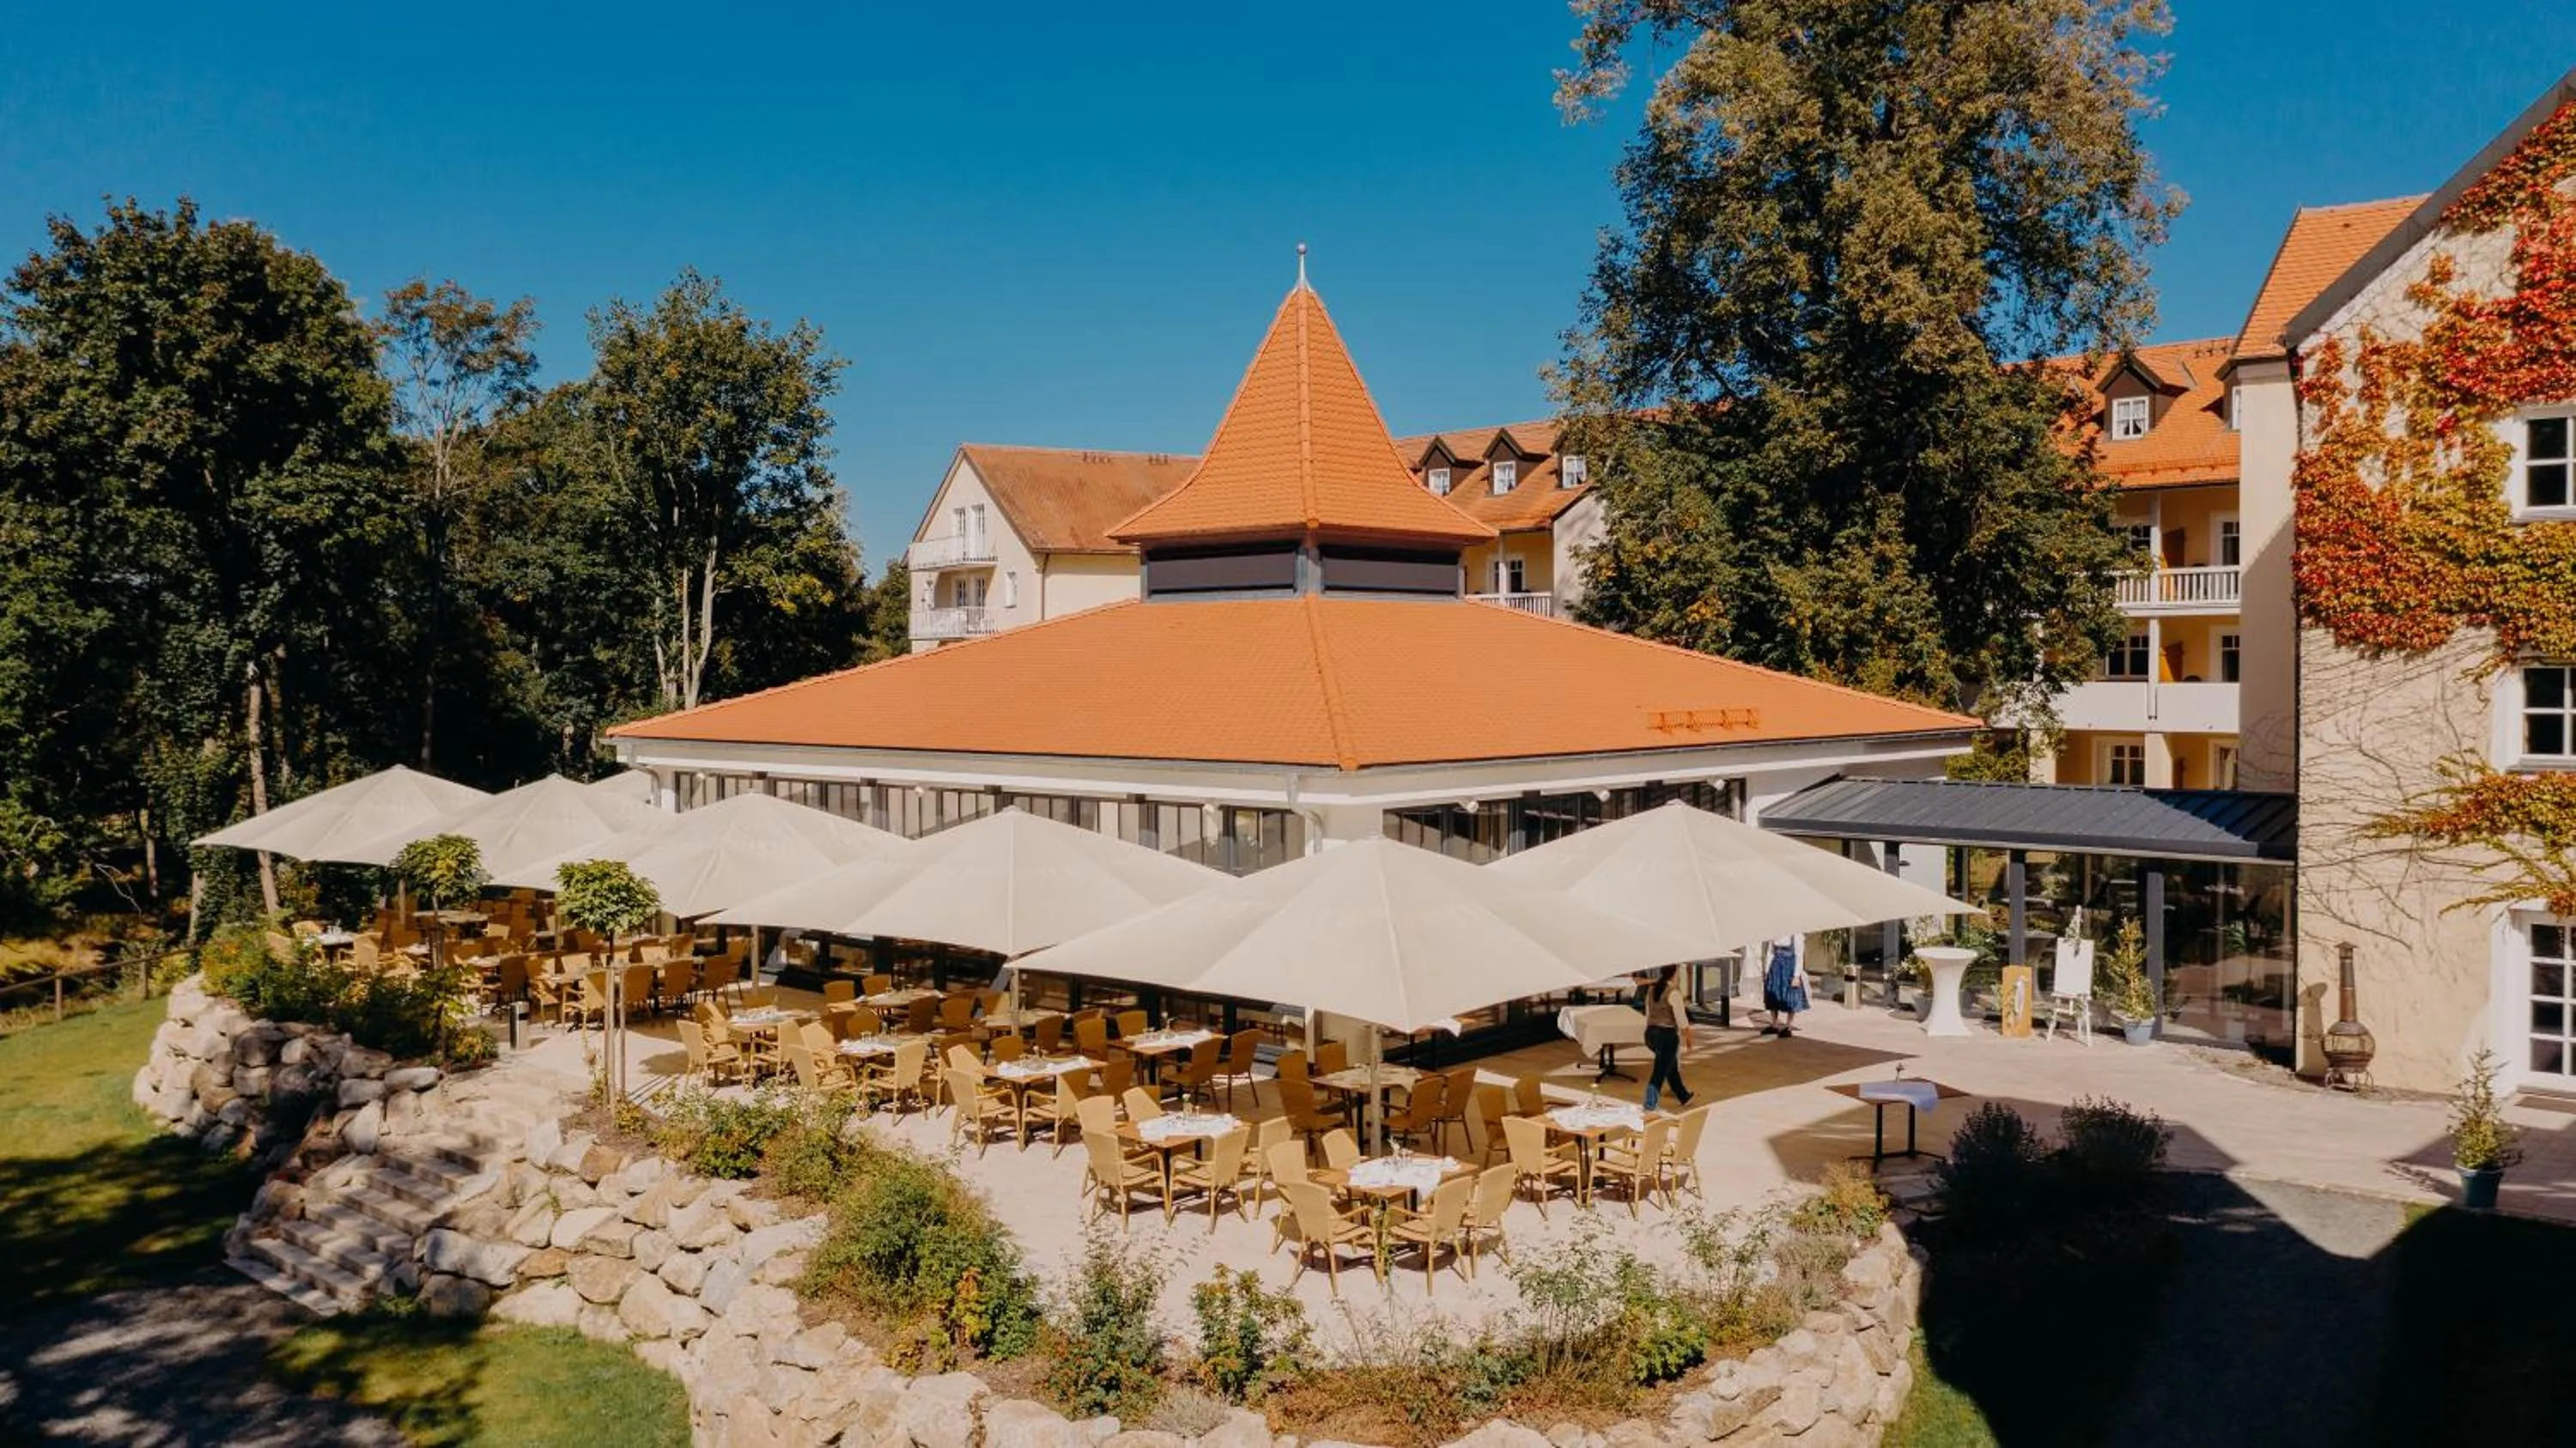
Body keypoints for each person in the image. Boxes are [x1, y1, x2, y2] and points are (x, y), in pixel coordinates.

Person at [1640, 964, 1694, 1111]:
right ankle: (1650, 1103)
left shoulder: (1651, 990)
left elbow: (1648, 1014)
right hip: (1667, 1036)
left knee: (1669, 1064)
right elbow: (1682, 1020)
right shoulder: (1674, 993)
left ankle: (1683, 1096)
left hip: (1650, 1034)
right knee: (1660, 1070)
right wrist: (1689, 1037)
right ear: (1675, 973)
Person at [1762, 934, 1812, 1037]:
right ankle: (1774, 1025)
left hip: (1789, 969)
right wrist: (1767, 971)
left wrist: (1796, 976)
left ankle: (1788, 1026)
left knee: (1790, 997)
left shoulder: (1796, 935)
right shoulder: (1775, 933)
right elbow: (1770, 953)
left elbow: (1799, 956)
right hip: (1775, 968)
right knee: (1772, 995)